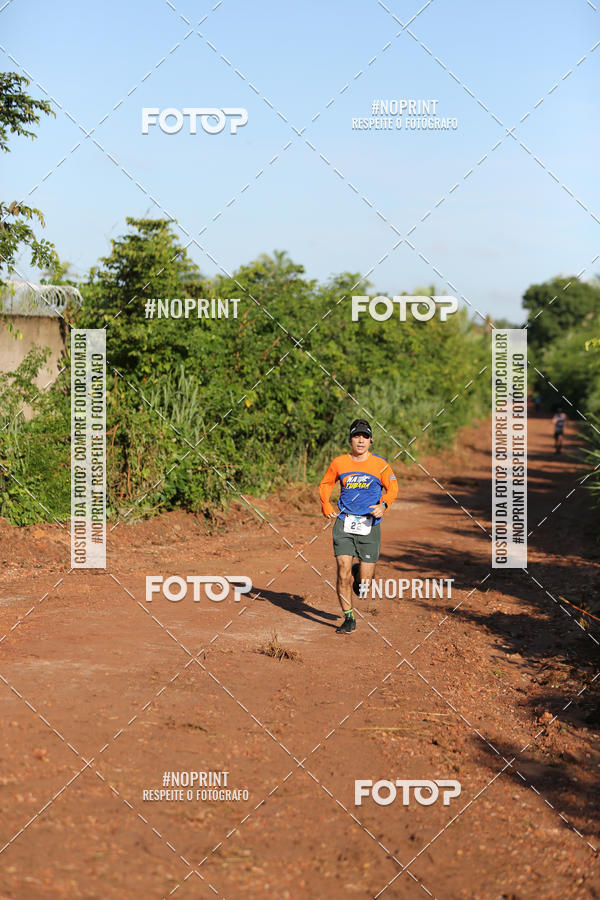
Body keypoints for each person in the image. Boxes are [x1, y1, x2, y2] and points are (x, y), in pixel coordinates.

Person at [319, 418, 398, 634]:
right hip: (344, 523)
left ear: (371, 440)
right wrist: (326, 504)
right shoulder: (339, 463)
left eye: (364, 436)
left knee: (364, 587)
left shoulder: (380, 464)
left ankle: (360, 573)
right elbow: (326, 483)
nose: (360, 440)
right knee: (342, 571)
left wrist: (384, 504)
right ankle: (348, 618)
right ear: (350, 440)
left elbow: (393, 488)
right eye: (356, 436)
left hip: (369, 526)